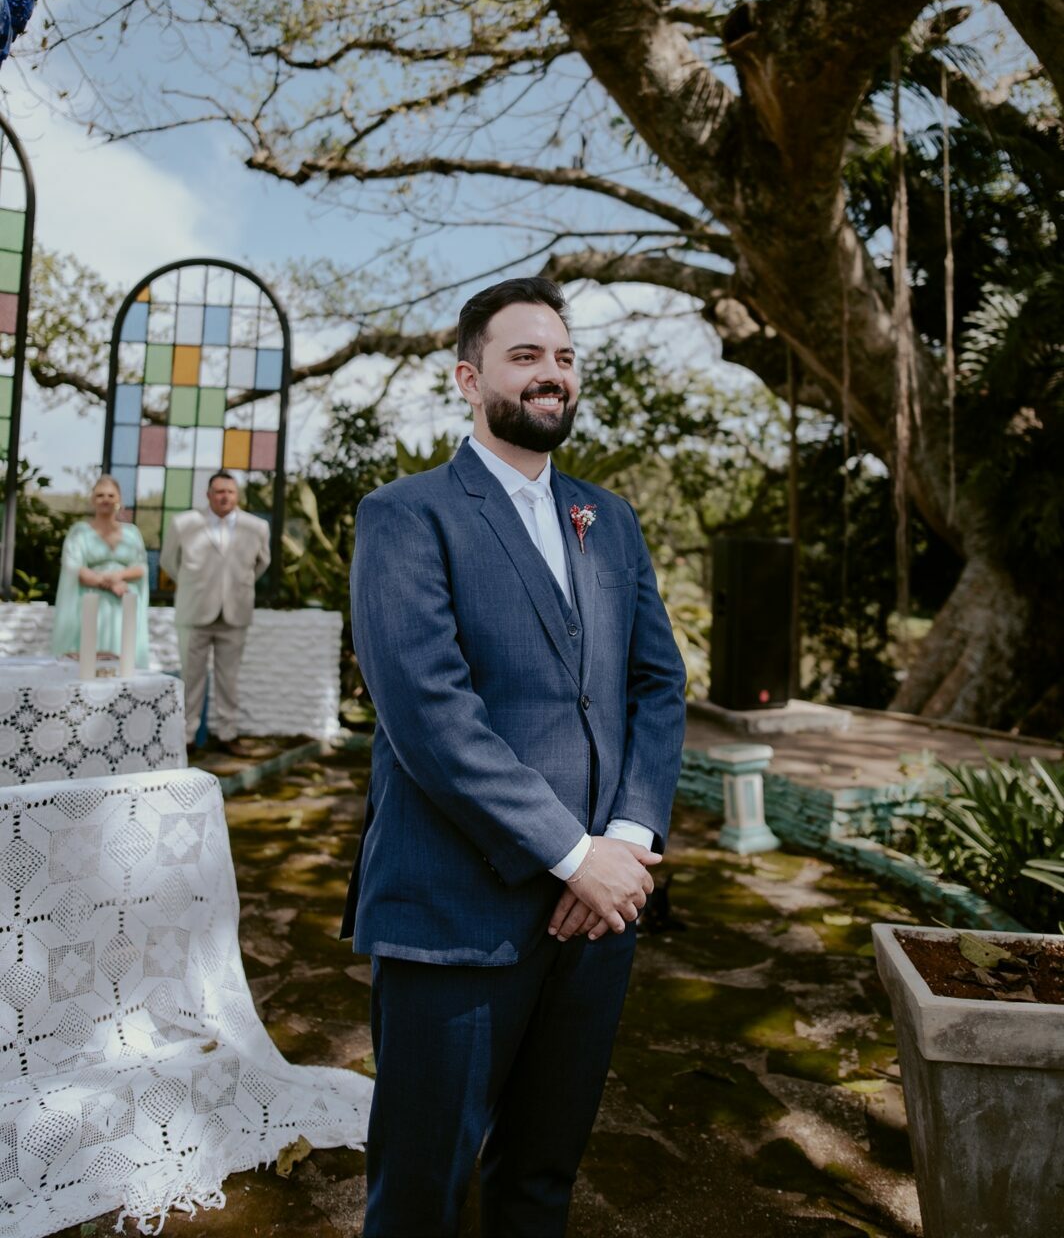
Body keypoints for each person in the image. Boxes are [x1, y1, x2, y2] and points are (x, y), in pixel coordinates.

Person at [343, 277, 687, 1238]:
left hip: (598, 920)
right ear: (469, 378)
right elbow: (430, 716)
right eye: (526, 356)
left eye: (565, 358)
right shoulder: (406, 515)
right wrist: (572, 855)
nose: (552, 374)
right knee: (419, 1194)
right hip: (456, 915)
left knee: (541, 1181)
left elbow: (657, 685)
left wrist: (625, 844)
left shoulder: (610, 519)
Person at [159, 469, 271, 751]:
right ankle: (186, 737)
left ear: (237, 495)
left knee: (228, 679)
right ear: (208, 495)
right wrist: (193, 585)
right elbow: (169, 561)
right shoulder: (183, 523)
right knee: (191, 677)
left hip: (235, 612)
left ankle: (227, 734)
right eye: (219, 492)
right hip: (194, 611)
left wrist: (238, 585)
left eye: (230, 492)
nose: (225, 497)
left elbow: (262, 563)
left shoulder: (257, 527)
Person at [52, 474, 150, 666]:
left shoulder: (132, 532)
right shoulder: (79, 532)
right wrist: (110, 583)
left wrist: (119, 576)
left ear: (119, 499)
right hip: (91, 603)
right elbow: (74, 567)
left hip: (125, 604)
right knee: (89, 659)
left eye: (111, 495)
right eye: (100, 495)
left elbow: (141, 567)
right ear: (92, 499)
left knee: (124, 658)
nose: (106, 499)